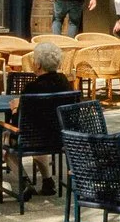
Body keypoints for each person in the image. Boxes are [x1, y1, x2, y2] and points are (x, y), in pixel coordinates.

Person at [4, 39, 73, 191]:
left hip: (35, 138)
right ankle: (47, 181)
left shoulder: (32, 88)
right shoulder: (65, 83)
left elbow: (18, 123)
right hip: (61, 138)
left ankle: (24, 182)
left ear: (38, 65)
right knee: (38, 136)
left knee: (7, 142)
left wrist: (16, 108)